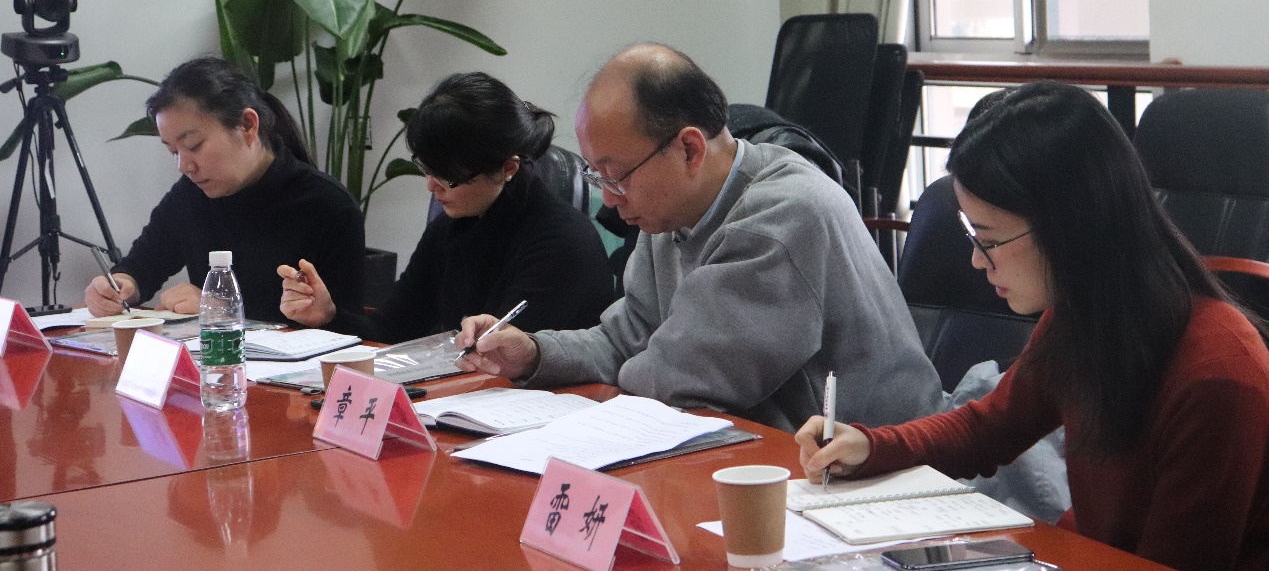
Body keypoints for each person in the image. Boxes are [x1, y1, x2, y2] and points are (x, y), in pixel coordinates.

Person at [796, 81, 1269, 571]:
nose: (977, 261)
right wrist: (871, 447)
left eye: (988, 240)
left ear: (1069, 228)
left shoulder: (1217, 377)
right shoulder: (1083, 317)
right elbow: (988, 429)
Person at [457, 43, 943, 432]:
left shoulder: (782, 216)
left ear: (689, 149)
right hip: (772, 458)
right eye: (597, 176)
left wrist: (617, 373)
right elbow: (626, 339)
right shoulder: (670, 213)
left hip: (877, 470)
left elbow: (678, 378)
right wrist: (535, 353)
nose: (608, 198)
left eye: (616, 175)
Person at [277, 72, 614, 341]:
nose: (431, 185)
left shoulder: (562, 244)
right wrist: (328, 317)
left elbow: (509, 361)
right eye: (427, 168)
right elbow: (389, 330)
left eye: (448, 176)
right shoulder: (455, 224)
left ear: (507, 168)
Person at [84, 57, 365, 323]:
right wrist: (121, 285)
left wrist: (224, 310)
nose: (184, 166)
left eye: (194, 146)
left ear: (247, 125)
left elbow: (351, 333)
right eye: (174, 151)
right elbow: (142, 265)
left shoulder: (327, 205)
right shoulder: (190, 196)